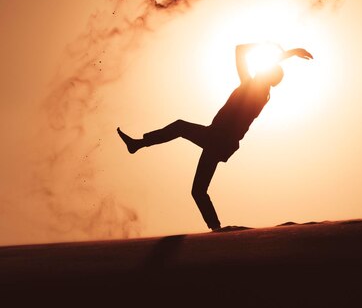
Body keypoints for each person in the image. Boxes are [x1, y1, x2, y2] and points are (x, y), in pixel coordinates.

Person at [117, 43, 313, 231]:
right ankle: (216, 228)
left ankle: (138, 144)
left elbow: (241, 50)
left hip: (219, 139)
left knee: (179, 128)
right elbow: (241, 51)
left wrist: (285, 50)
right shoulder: (255, 90)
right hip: (218, 140)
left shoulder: (255, 90)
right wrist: (288, 52)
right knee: (198, 190)